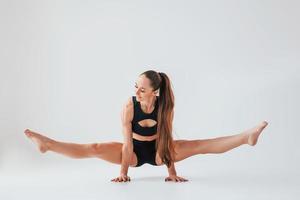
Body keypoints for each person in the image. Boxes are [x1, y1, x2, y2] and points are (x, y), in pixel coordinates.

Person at [24, 70, 269, 183]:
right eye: (135, 87)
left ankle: (245, 137)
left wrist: (171, 173)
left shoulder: (165, 105)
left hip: (159, 151)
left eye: (142, 89)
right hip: (132, 153)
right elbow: (127, 141)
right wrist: (123, 172)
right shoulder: (129, 106)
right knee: (95, 147)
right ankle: (48, 144)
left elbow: (165, 137)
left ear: (155, 91)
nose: (136, 91)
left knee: (197, 145)